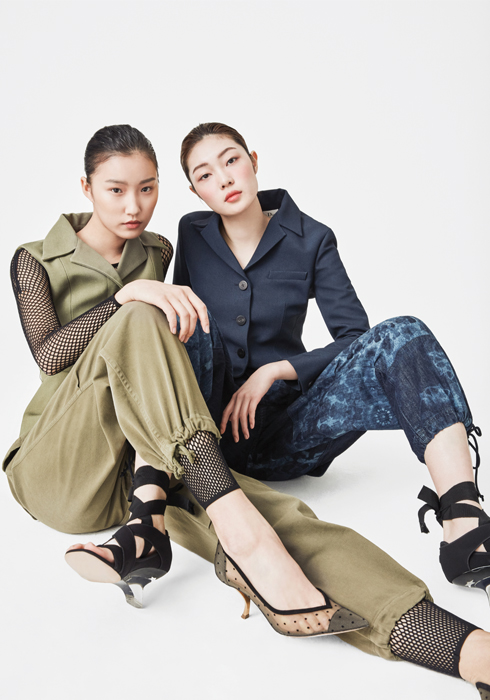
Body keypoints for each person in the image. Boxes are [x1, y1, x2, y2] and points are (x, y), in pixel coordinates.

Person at [3, 125, 490, 696]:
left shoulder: (158, 250)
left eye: (147, 188)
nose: (133, 206)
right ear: (86, 188)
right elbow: (54, 356)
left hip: (158, 456)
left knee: (285, 522)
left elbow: (184, 361)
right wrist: (127, 297)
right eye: (115, 190)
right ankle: (226, 535)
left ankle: (462, 645)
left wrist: (273, 371)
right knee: (150, 320)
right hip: (68, 458)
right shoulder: (44, 258)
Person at [175, 122, 490, 607]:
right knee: (178, 314)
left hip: (286, 433)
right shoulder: (192, 234)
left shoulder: (312, 237)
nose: (224, 178)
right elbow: (180, 330)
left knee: (403, 333)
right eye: (204, 174)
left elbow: (353, 338)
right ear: (195, 190)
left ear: (254, 160)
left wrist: (272, 371)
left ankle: (462, 518)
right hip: (206, 440)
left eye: (231, 159)